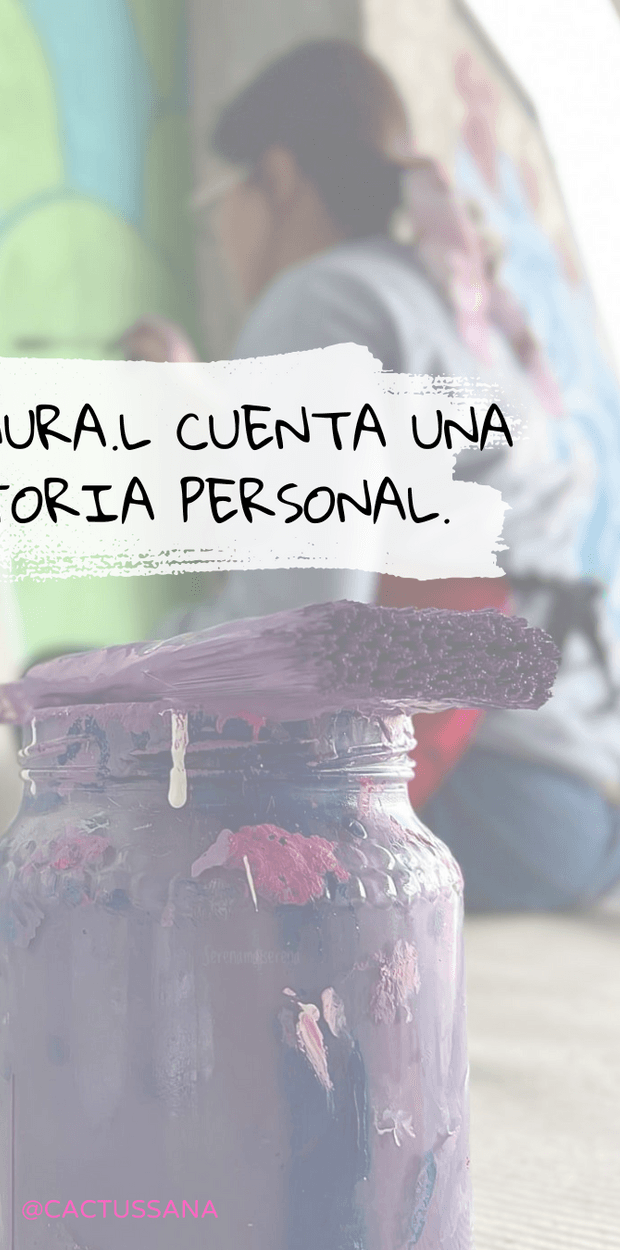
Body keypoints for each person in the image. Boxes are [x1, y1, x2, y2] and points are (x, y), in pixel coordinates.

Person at [122, 39, 620, 912]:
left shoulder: (319, 298)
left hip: (478, 795)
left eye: (216, 205)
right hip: (580, 801)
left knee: (80, 714)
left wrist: (132, 662)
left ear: (277, 178)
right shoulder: (442, 297)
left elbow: (291, 636)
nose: (221, 234)